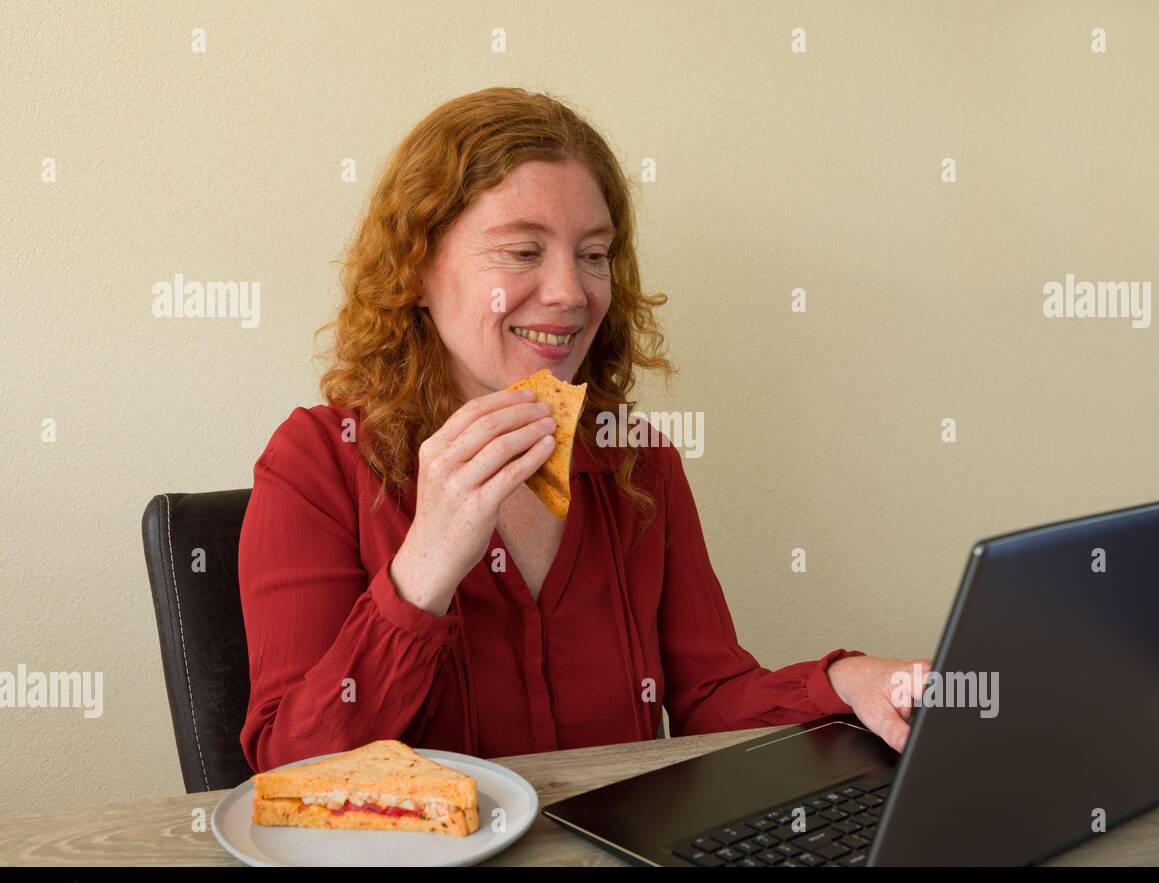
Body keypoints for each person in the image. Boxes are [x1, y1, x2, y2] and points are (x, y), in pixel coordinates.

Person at [238, 87, 930, 774]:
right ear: (416, 270)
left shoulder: (640, 463)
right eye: (522, 252)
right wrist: (425, 568)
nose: (572, 292)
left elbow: (710, 698)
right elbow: (291, 771)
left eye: (594, 254)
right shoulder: (317, 463)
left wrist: (845, 681)